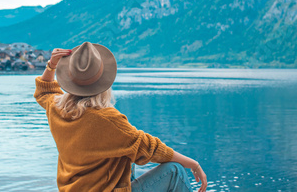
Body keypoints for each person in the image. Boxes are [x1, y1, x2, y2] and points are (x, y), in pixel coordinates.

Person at [34, 42, 207, 192]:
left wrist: (51, 65)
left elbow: (44, 91)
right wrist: (194, 164)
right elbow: (150, 148)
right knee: (175, 171)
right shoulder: (107, 119)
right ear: (104, 81)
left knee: (126, 157)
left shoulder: (57, 108)